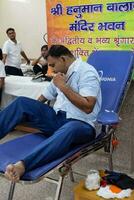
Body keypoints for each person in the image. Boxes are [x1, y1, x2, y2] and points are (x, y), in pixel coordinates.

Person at [0, 45, 102, 182]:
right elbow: (43, 97)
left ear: (63, 59)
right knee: (21, 103)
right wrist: (31, 110)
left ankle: (22, 165)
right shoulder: (60, 76)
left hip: (81, 124)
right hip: (57, 119)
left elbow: (88, 106)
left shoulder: (87, 72)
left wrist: (63, 86)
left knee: (70, 128)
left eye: (53, 65)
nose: (52, 69)